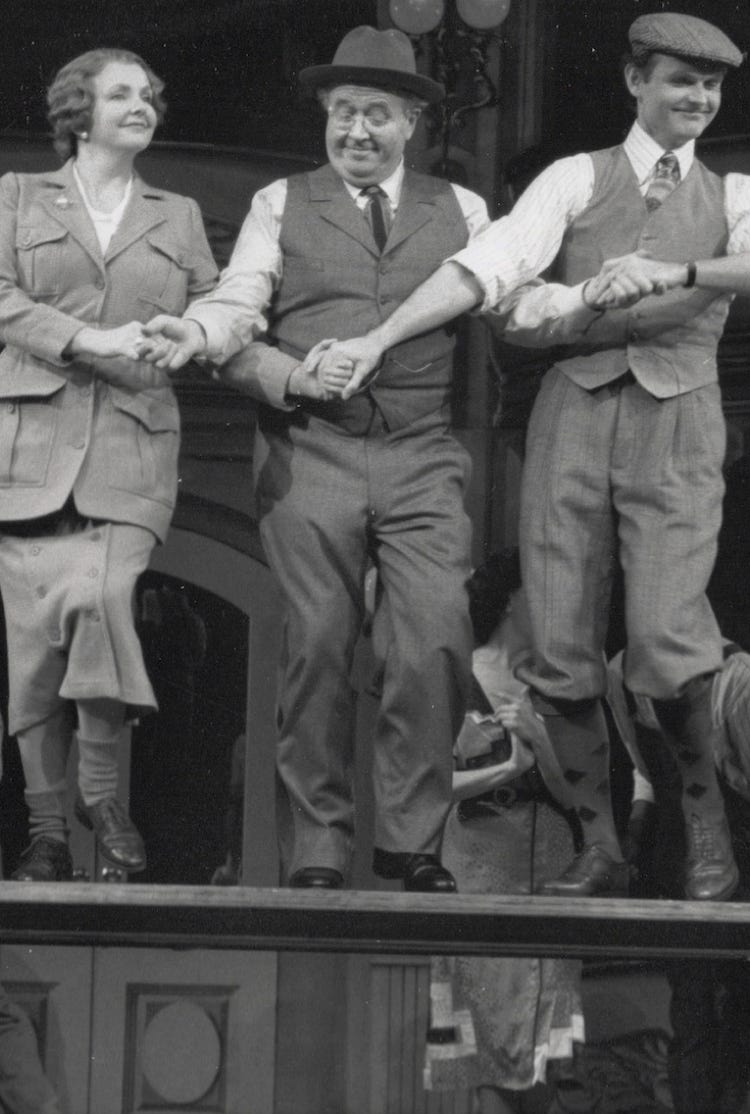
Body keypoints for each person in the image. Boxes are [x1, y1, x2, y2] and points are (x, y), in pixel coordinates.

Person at [310, 12, 750, 902]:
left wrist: (675, 273)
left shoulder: (735, 193)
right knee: (557, 637)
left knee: (666, 636)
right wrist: (577, 297)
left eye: (711, 87)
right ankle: (599, 845)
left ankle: (707, 827)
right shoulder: (574, 179)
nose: (698, 99)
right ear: (635, 81)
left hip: (679, 414)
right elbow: (491, 280)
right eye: (680, 81)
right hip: (574, 407)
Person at [136, 26, 493, 892]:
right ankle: (319, 849)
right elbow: (239, 306)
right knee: (318, 647)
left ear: (411, 121)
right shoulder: (280, 203)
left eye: (376, 113)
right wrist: (272, 364)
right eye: (343, 113)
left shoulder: (463, 207)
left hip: (420, 451)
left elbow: (506, 294)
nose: (357, 131)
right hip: (312, 449)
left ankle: (411, 840)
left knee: (435, 638)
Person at [0, 49, 218, 882]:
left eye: (149, 95)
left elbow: (217, 307)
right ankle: (47, 830)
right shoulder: (17, 196)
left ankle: (98, 794)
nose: (141, 105)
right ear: (77, 112)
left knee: (101, 599)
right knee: (32, 647)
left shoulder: (179, 213)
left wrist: (199, 332)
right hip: (26, 448)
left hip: (131, 443)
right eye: (120, 93)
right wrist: (86, 337)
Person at [425, 552, 583, 1113]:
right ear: (514, 598)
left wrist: (539, 740)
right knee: (488, 1030)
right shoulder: (456, 672)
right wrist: (508, 769)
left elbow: (577, 799)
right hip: (476, 861)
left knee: (544, 1038)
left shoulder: (559, 683)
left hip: (550, 863)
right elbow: (428, 787)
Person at [607, 645, 750, 1114]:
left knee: (738, 1017)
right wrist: (635, 831)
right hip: (678, 862)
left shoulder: (734, 675)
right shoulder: (620, 674)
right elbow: (644, 768)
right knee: (693, 1016)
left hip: (741, 853)